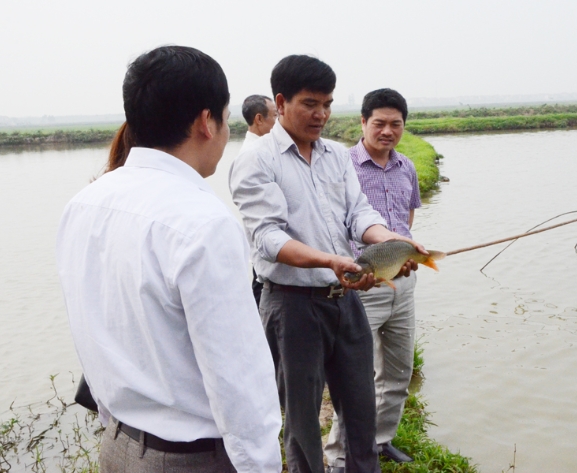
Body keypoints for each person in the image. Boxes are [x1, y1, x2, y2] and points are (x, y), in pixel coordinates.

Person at [56, 45, 282, 473]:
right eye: (226, 117)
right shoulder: (204, 222)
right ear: (205, 121)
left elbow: (87, 330)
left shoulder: (84, 203)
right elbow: (237, 379)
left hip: (119, 445)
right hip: (190, 458)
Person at [228, 55, 426, 473]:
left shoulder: (336, 156)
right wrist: (330, 260)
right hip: (292, 305)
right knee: (301, 422)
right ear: (280, 103)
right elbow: (267, 238)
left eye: (328, 104)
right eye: (310, 103)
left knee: (360, 411)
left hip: (346, 301)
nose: (321, 114)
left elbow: (360, 214)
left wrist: (392, 241)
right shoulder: (257, 160)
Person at [324, 89, 420, 469]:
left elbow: (406, 223)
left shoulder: (407, 167)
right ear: (363, 123)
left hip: (402, 283)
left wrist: (401, 259)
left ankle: (380, 440)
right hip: (362, 285)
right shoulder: (342, 165)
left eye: (395, 124)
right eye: (378, 123)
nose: (387, 131)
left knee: (398, 370)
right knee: (353, 376)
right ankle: (337, 455)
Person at [238, 94, 277, 306]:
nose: (279, 122)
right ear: (259, 119)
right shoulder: (252, 155)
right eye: (275, 116)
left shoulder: (268, 149)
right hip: (266, 257)